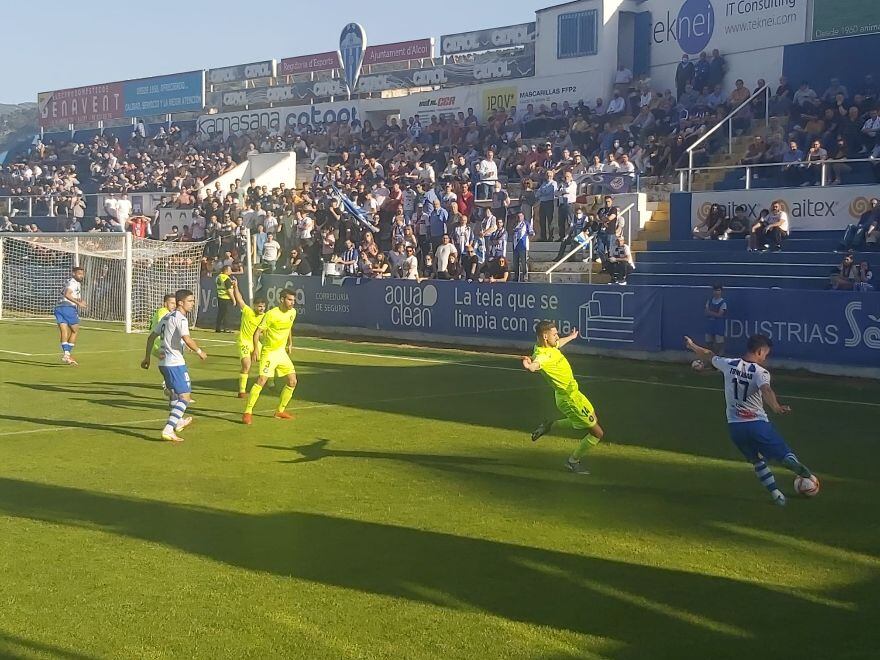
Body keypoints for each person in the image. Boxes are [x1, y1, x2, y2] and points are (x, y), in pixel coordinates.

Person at [684, 334, 818, 506]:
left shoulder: (729, 364)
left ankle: (777, 495)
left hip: (735, 428)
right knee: (784, 455)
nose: (766, 358)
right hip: (757, 425)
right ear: (760, 351)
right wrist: (776, 407)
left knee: (757, 461)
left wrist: (692, 345)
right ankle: (807, 476)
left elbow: (708, 354)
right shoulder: (760, 373)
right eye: (766, 354)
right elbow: (766, 390)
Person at [523, 321, 604, 475]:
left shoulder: (550, 347)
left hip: (575, 393)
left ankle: (549, 426)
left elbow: (559, 343)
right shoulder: (542, 355)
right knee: (597, 433)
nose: (557, 336)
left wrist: (572, 337)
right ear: (545, 337)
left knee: (592, 418)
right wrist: (529, 366)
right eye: (554, 334)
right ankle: (573, 461)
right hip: (569, 399)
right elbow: (536, 365)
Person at [140, 289, 208, 442]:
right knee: (185, 397)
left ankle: (178, 422)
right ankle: (169, 429)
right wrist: (199, 351)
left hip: (163, 363)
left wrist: (147, 358)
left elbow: (151, 337)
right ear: (181, 303)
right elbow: (187, 338)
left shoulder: (166, 317)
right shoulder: (180, 319)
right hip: (175, 363)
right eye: (190, 301)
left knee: (174, 394)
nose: (192, 304)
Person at [242, 288, 298, 425]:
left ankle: (280, 411)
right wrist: (256, 349)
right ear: (282, 299)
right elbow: (257, 333)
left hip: (281, 353)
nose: (292, 303)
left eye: (294, 300)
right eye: (290, 300)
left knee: (292, 381)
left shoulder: (293, 312)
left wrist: (290, 343)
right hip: (269, 352)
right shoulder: (271, 314)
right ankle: (247, 412)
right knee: (262, 380)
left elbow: (289, 327)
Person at [230, 279, 268, 398]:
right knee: (247, 365)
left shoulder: (265, 317)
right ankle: (242, 391)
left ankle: (269, 382)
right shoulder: (247, 311)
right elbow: (239, 299)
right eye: (259, 306)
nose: (261, 309)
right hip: (245, 342)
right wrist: (236, 286)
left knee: (268, 361)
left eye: (263, 307)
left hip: (257, 343)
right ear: (255, 306)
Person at [53, 266, 86, 365]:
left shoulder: (69, 281)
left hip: (58, 307)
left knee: (64, 331)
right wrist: (78, 303)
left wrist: (80, 300)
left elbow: (66, 293)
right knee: (75, 331)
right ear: (74, 274)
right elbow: (67, 294)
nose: (82, 276)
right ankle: (67, 355)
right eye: (79, 274)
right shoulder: (73, 283)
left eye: (82, 274)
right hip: (68, 308)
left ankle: (66, 354)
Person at [704, 284, 727, 357]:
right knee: (708, 342)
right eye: (715, 290)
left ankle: (719, 360)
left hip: (718, 325)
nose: (717, 292)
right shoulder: (709, 301)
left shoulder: (723, 303)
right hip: (709, 325)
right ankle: (710, 360)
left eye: (718, 290)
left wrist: (710, 313)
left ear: (721, 292)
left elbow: (720, 314)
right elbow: (706, 312)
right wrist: (714, 313)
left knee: (719, 343)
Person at [511, 211, 534, 282]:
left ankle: (525, 277)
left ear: (523, 216)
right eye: (518, 216)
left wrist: (527, 241)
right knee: (515, 263)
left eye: (520, 216)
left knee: (524, 263)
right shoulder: (515, 224)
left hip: (523, 247)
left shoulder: (526, 224)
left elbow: (532, 233)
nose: (519, 218)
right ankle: (516, 277)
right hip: (515, 247)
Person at [215, 265, 234, 333]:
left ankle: (218, 327)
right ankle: (227, 328)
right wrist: (233, 299)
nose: (231, 271)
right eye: (230, 270)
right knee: (226, 314)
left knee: (220, 313)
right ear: (226, 271)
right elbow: (229, 290)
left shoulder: (218, 277)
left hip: (220, 297)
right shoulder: (226, 278)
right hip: (226, 297)